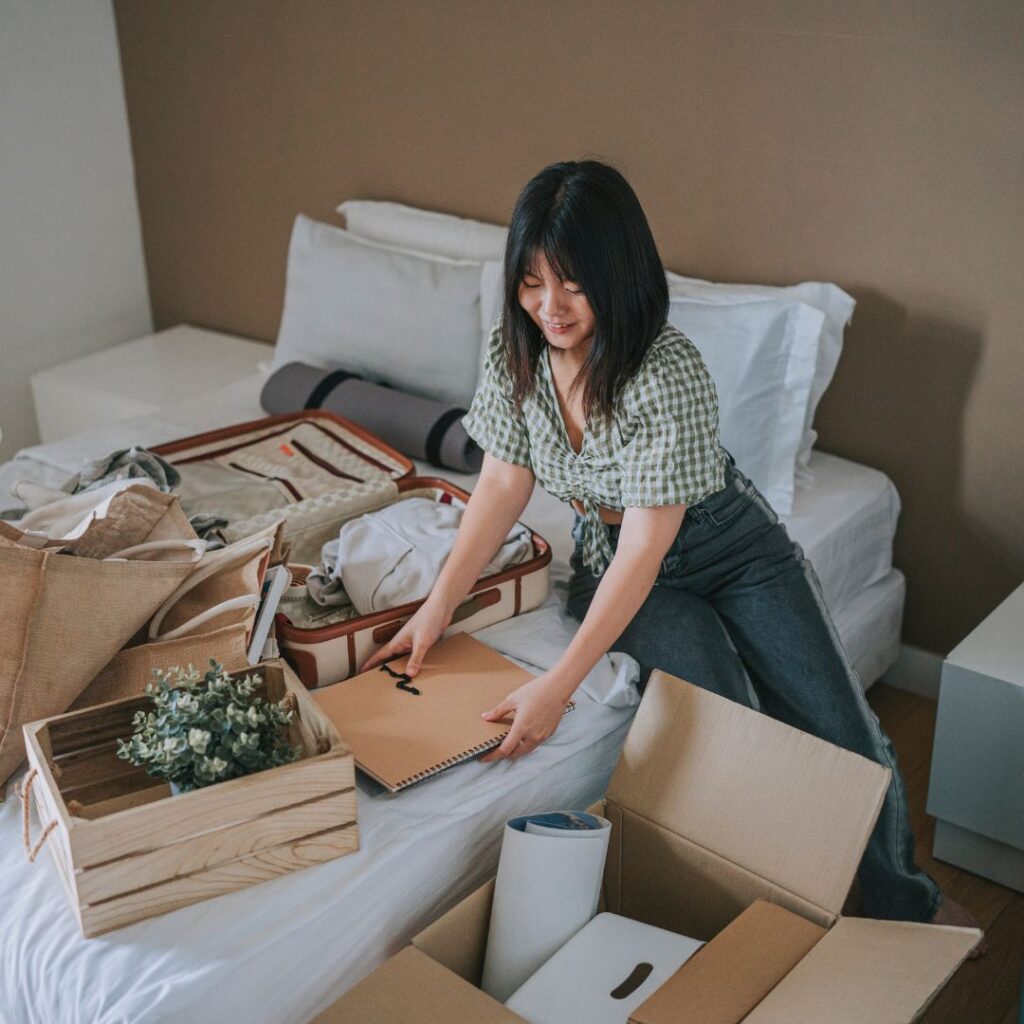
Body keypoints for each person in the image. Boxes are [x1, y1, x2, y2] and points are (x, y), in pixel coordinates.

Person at [360, 159, 984, 947]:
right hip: (616, 558)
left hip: (730, 546)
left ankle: (905, 901)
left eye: (573, 285)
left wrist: (557, 687)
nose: (549, 307)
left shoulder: (666, 371)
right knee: (731, 722)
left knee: (842, 728)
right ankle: (777, 907)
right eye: (531, 282)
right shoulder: (513, 353)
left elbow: (648, 546)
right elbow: (501, 484)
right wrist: (437, 607)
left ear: (617, 276)